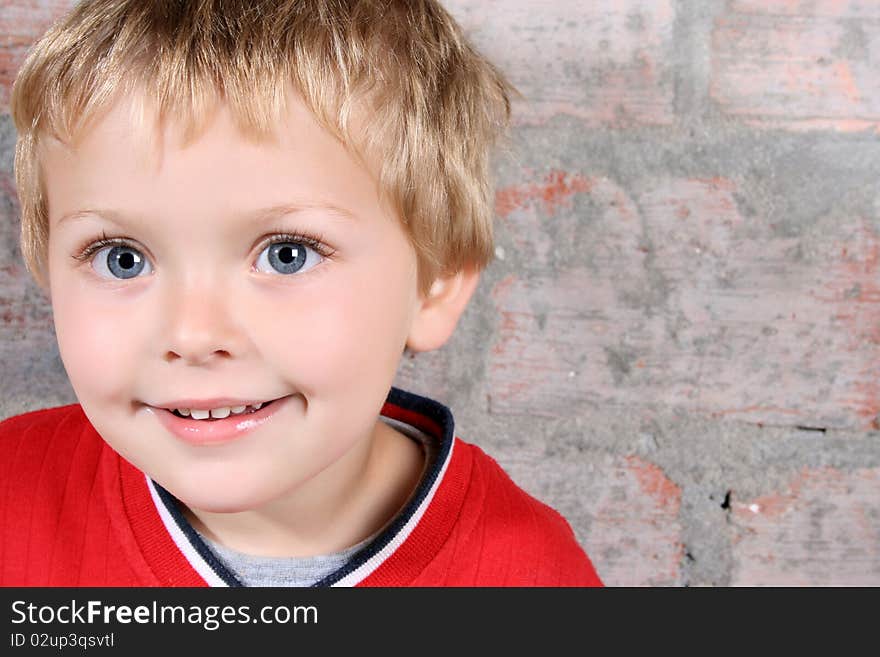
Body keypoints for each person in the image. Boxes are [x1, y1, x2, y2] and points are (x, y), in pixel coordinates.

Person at [0, 0, 602, 587]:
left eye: (287, 255)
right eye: (122, 259)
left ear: (436, 283)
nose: (193, 335)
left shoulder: (533, 577)